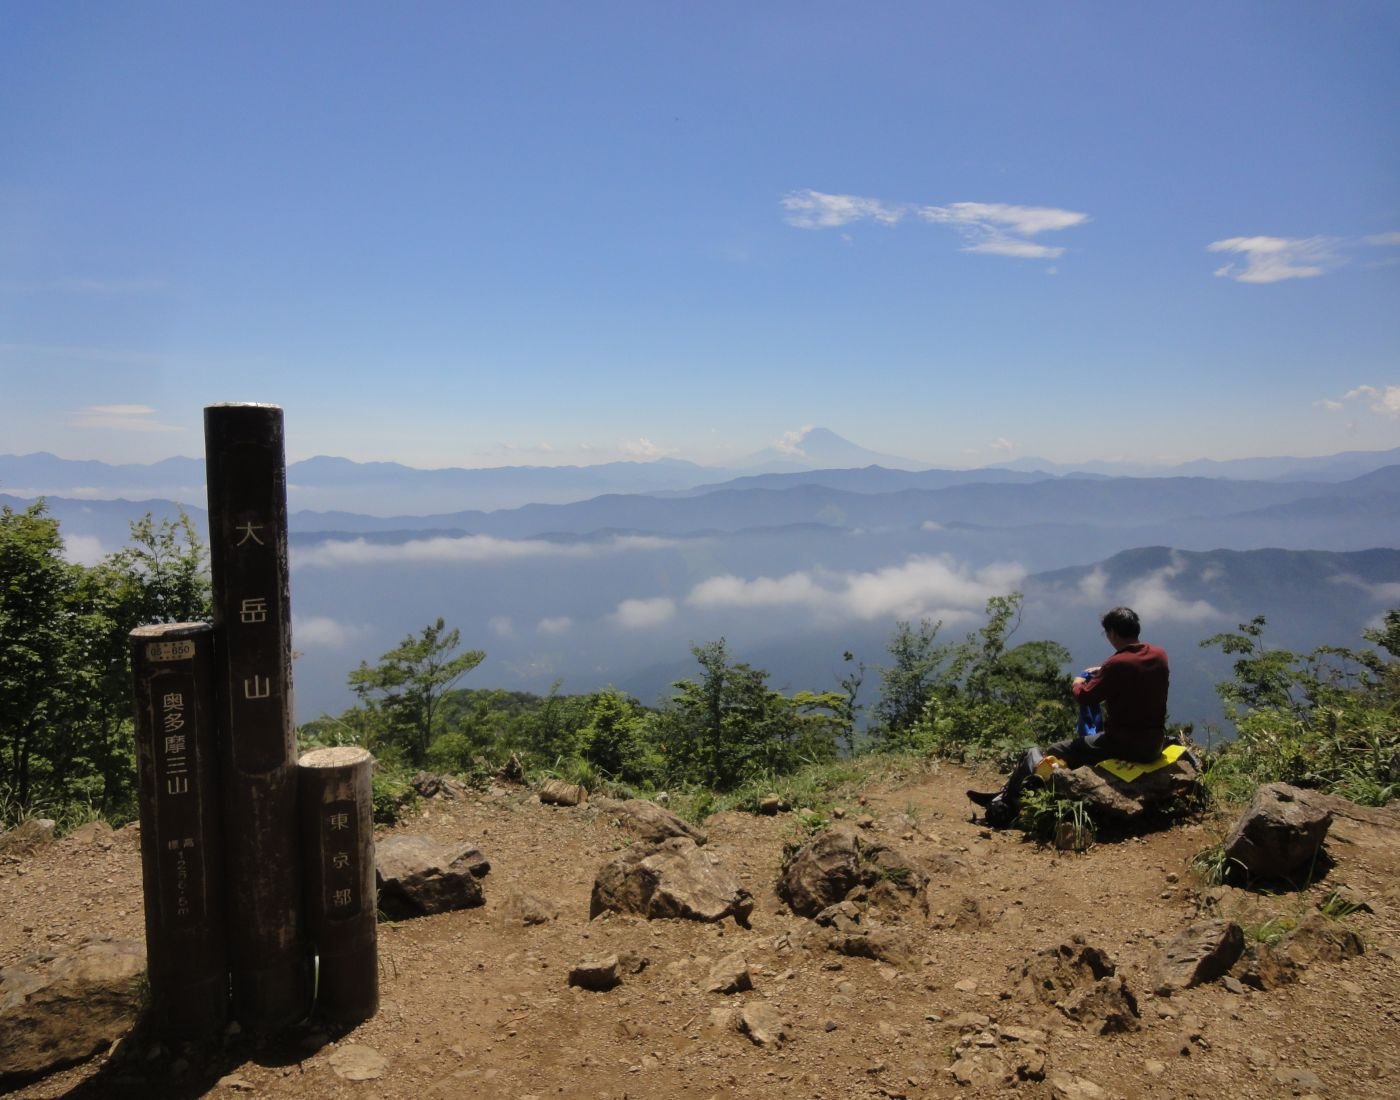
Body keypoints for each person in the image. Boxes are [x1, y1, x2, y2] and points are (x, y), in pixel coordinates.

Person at [967, 606, 1170, 825]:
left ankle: (1007, 806)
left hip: (1124, 744)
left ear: (1112, 633)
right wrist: (1104, 671)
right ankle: (1006, 794)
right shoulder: (1159, 655)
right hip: (1154, 744)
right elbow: (1134, 673)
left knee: (1057, 749)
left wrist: (1078, 683)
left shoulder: (1117, 664)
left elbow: (1086, 696)